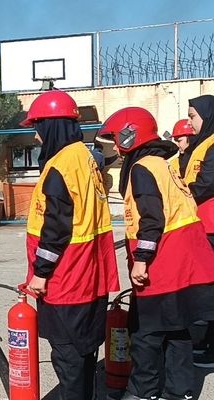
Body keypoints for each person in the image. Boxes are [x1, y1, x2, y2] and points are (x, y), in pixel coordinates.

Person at [98, 107, 214, 400]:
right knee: (177, 331)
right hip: (186, 262)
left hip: (164, 264)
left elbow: (152, 219)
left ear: (129, 134)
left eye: (115, 138)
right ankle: (179, 392)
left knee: (146, 334)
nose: (115, 146)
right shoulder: (163, 164)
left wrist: (141, 260)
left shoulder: (142, 168)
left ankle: (143, 391)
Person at [21, 90, 120, 400]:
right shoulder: (87, 159)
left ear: (51, 127)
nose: (36, 138)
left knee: (68, 359)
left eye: (37, 128)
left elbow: (55, 230)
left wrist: (40, 273)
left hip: (66, 281)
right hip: (91, 277)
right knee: (86, 351)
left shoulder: (59, 167)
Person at [177, 95, 214, 368]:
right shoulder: (200, 146)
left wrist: (177, 198)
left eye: (193, 116)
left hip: (211, 228)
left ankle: (207, 347)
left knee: (206, 289)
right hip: (200, 225)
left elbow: (205, 184)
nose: (190, 123)